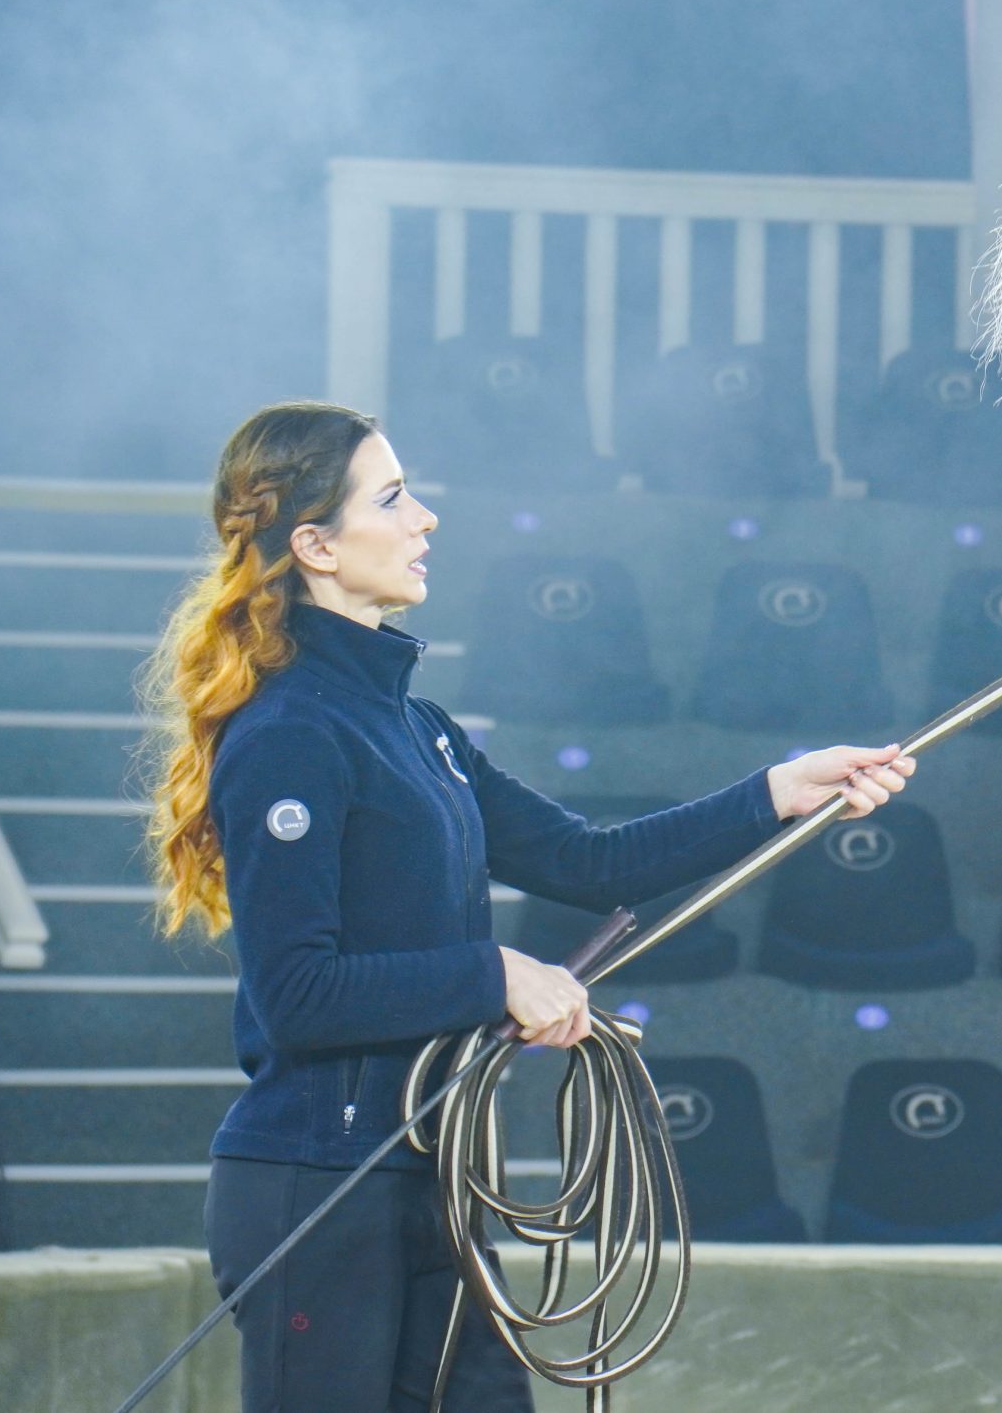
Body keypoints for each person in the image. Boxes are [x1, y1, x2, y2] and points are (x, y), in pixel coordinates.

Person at [141, 401, 912, 1412]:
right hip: (316, 1184)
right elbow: (298, 994)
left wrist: (778, 790)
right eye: (393, 496)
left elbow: (589, 861)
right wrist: (497, 972)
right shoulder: (289, 732)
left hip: (429, 1181)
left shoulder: (420, 729)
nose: (426, 519)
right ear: (316, 544)